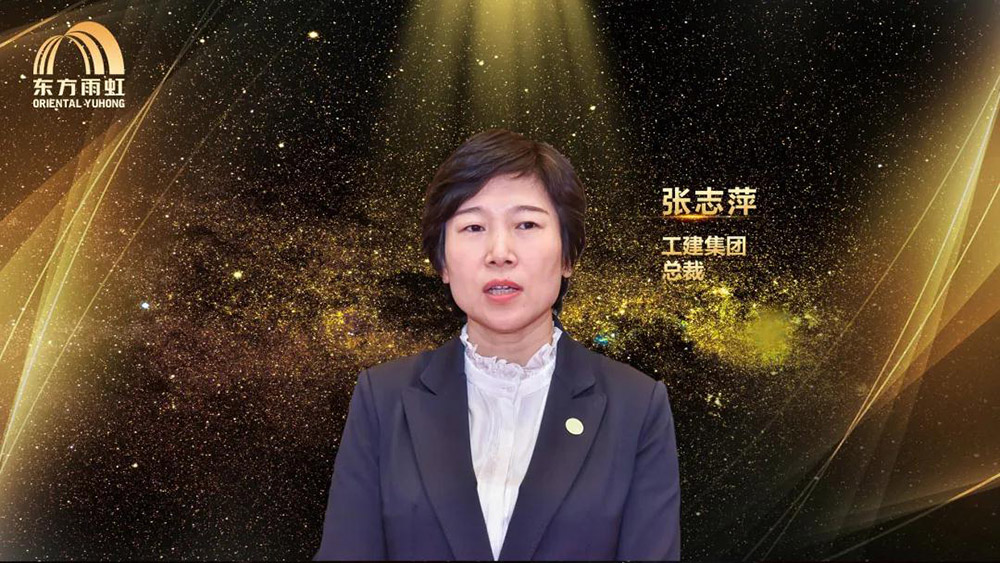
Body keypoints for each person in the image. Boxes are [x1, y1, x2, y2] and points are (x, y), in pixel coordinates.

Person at [314, 129, 681, 561]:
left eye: (526, 224)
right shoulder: (383, 398)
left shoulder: (636, 405)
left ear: (567, 256)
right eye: (473, 226)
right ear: (442, 262)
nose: (500, 252)